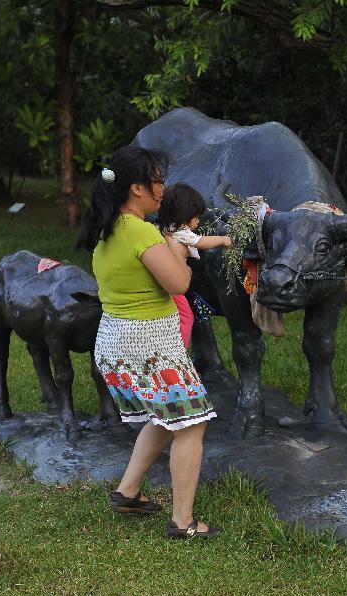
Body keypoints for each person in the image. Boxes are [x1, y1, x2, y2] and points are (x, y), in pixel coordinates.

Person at [75, 145, 221, 539]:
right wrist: (178, 251)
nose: (163, 190)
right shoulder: (138, 229)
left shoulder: (109, 228)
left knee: (167, 418)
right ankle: (183, 521)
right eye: (158, 182)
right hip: (150, 350)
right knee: (192, 424)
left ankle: (127, 492)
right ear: (137, 188)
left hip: (115, 344)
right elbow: (179, 283)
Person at [157, 183, 232, 348]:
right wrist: (223, 239)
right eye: (196, 216)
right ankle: (179, 350)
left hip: (164, 283)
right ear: (184, 215)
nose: (198, 221)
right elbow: (200, 242)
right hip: (173, 285)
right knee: (186, 315)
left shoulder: (165, 228)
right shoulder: (180, 231)